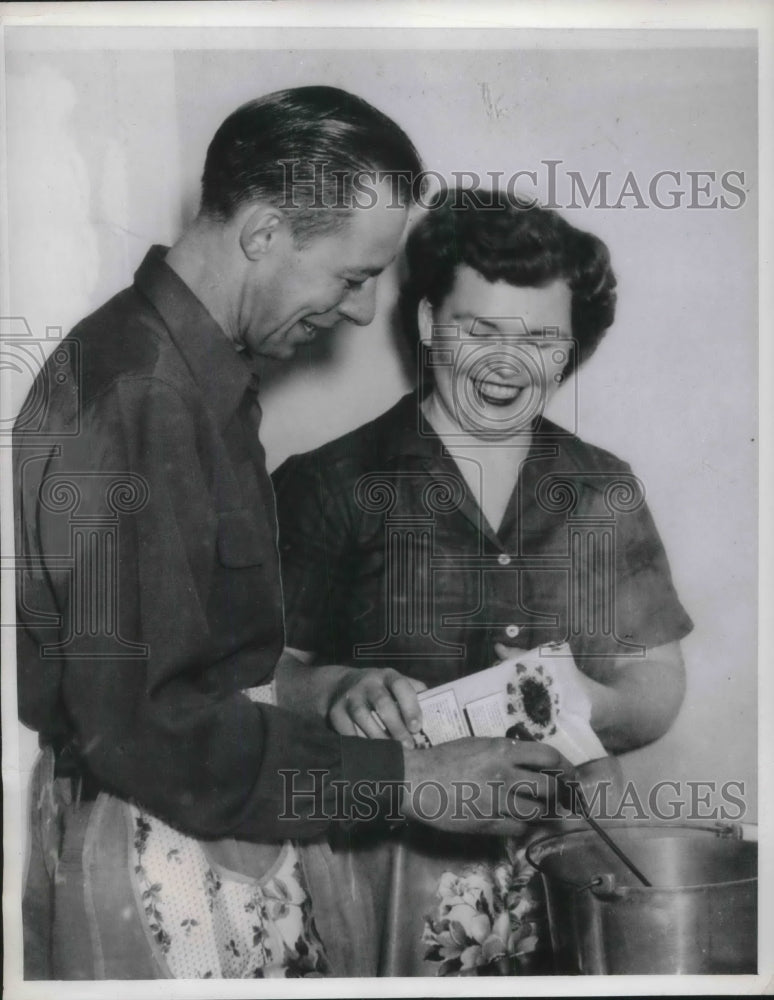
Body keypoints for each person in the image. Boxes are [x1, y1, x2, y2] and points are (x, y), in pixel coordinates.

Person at [13, 94, 565, 980]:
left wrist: (319, 683)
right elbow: (146, 729)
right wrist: (413, 781)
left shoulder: (197, 377)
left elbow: (194, 658)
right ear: (265, 232)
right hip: (160, 859)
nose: (364, 311)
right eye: (352, 277)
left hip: (214, 835)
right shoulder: (138, 393)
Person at [272, 188, 693, 975]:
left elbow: (658, 681)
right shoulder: (328, 482)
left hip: (573, 863)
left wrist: (595, 704)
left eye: (540, 338)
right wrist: (333, 689)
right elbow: (255, 676)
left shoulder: (604, 487)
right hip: (384, 872)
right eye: (479, 330)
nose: (507, 363)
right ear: (429, 323)